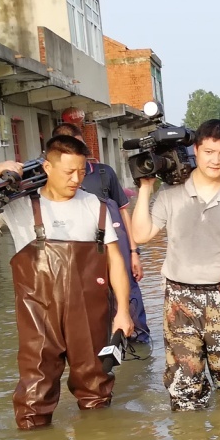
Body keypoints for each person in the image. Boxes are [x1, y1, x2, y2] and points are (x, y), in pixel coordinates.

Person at [0, 135, 134, 429]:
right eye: (69, 171)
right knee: (35, 392)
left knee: (96, 386)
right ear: (47, 167)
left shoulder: (95, 205)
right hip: (38, 316)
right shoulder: (21, 207)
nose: (76, 178)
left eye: (81, 171)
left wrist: (123, 311)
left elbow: (115, 262)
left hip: (90, 314)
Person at [130, 119, 220, 411]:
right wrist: (145, 188)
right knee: (184, 386)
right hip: (180, 299)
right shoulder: (170, 196)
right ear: (196, 150)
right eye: (209, 151)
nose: (216, 160)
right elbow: (140, 234)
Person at [52, 121, 151, 345]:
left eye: (81, 148)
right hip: (84, 248)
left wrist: (135, 252)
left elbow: (124, 211)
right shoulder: (55, 182)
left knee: (127, 288)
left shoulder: (104, 173)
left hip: (116, 241)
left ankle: (137, 340)